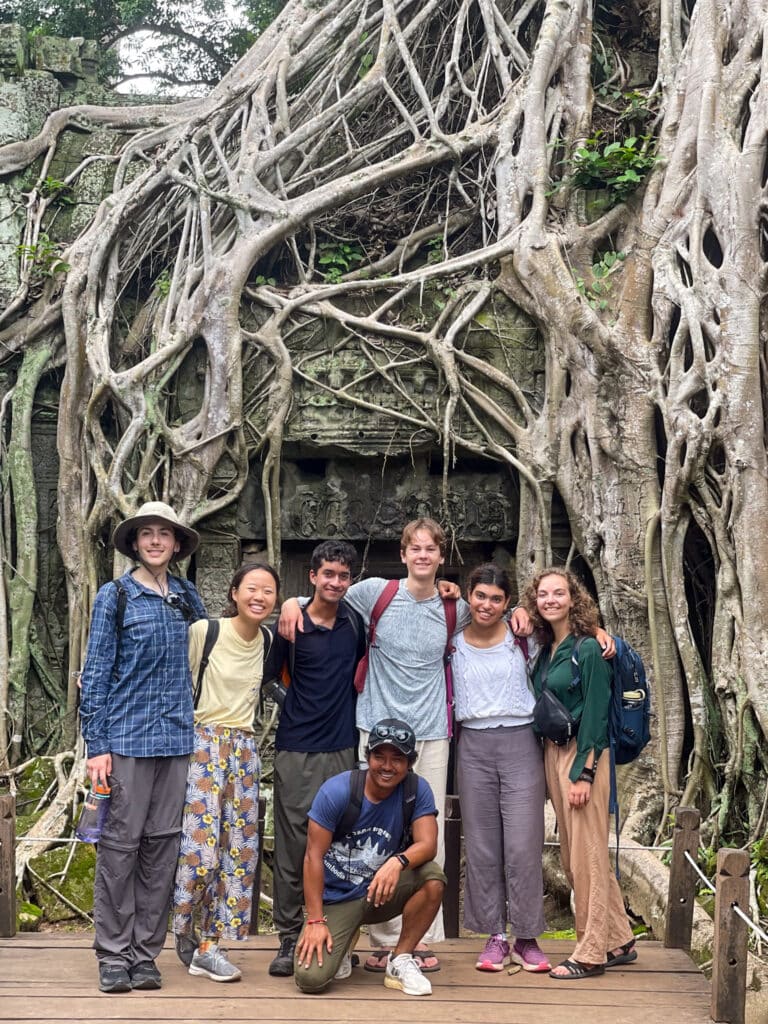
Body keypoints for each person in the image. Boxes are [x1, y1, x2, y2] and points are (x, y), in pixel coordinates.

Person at [279, 518, 473, 972]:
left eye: (431, 549)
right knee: (372, 832)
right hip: (376, 727)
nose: (423, 556)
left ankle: (418, 939)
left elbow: (493, 616)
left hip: (430, 729)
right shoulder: (374, 593)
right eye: (415, 548)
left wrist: (517, 614)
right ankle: (381, 939)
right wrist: (290, 601)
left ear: (441, 557)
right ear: (403, 554)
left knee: (430, 832)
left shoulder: (454, 607)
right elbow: (323, 595)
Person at [79, 501, 206, 994]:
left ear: (176, 545)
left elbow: (217, 646)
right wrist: (97, 743)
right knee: (119, 847)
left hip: (176, 740)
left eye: (165, 534)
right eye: (146, 533)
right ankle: (113, 953)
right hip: (126, 740)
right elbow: (97, 671)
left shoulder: (186, 597)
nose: (155, 541)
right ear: (135, 543)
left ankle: (144, 953)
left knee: (162, 846)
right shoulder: (116, 595)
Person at [522, 567, 637, 980]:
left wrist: (584, 773)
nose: (550, 600)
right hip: (553, 753)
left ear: (574, 598)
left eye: (558, 593)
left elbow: (595, 713)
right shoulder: (547, 648)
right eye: (542, 595)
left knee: (585, 857)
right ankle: (619, 938)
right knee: (577, 853)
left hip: (582, 754)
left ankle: (590, 952)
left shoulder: (589, 649)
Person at [171, 561, 280, 982]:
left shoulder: (270, 641)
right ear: (234, 592)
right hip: (202, 744)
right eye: (251, 588)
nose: (259, 597)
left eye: (268, 591)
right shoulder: (205, 632)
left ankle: (210, 946)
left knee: (239, 850)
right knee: (200, 850)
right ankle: (183, 925)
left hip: (245, 749)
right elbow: (175, 683)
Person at [266, 540, 365, 977]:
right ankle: (290, 936)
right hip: (296, 748)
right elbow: (269, 680)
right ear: (312, 576)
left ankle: (335, 933)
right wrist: (295, 705)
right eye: (328, 574)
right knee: (294, 845)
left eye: (344, 576)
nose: (336, 582)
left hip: (342, 747)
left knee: (339, 844)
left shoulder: (354, 624)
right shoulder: (290, 624)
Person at [294, 718, 446, 997]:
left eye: (397, 759)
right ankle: (345, 936)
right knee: (310, 980)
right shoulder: (337, 792)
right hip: (336, 896)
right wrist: (315, 921)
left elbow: (428, 844)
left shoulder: (415, 790)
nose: (387, 767)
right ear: (368, 757)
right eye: (379, 757)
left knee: (433, 878)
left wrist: (396, 862)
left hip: (381, 891)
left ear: (410, 762)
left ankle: (400, 959)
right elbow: (312, 857)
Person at [451, 563, 550, 973]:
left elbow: (570, 634)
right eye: (480, 596)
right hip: (472, 744)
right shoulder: (452, 641)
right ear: (467, 597)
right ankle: (493, 935)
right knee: (482, 845)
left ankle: (526, 937)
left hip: (521, 741)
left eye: (496, 598)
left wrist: (598, 632)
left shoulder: (524, 637)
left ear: (508, 602)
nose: (486, 605)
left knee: (524, 845)